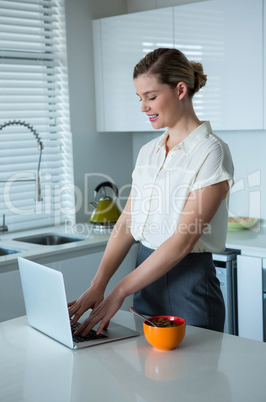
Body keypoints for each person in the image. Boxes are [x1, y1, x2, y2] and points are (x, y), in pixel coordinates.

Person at [69, 48, 234, 336]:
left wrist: (120, 289)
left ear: (180, 89)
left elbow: (183, 241)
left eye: (151, 96)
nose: (143, 107)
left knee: (195, 378)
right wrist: (99, 283)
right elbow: (126, 224)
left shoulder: (211, 151)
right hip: (144, 280)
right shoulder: (149, 152)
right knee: (149, 375)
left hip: (189, 283)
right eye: (140, 98)